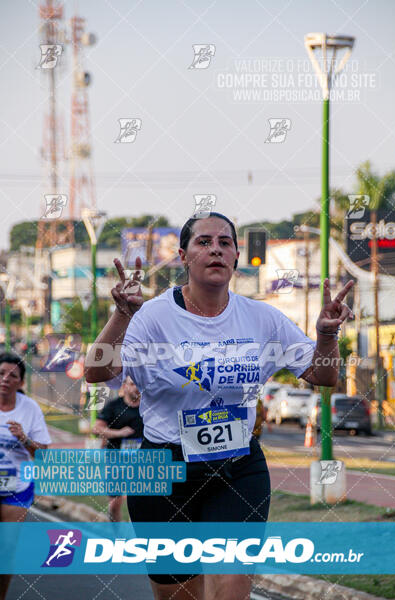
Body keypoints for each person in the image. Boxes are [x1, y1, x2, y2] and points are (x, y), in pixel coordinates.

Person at [85, 212, 354, 600]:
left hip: (237, 468)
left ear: (236, 257)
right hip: (163, 473)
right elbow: (97, 372)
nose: (215, 249)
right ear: (183, 255)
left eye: (225, 243)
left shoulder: (261, 318)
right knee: (180, 594)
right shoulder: (152, 317)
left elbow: (323, 375)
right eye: (204, 242)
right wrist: (123, 314)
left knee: (230, 588)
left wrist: (328, 335)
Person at [0, 352, 51, 600]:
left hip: (16, 486)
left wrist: (24, 438)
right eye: (1, 374)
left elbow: (43, 453)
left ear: (21, 382)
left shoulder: (29, 409)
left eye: (12, 376)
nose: (5, 379)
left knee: (6, 550)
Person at [91, 376, 143, 522]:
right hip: (116, 459)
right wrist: (119, 433)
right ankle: (117, 532)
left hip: (141, 460)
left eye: (138, 384)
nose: (136, 388)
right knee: (114, 503)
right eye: (132, 384)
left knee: (140, 501)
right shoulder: (114, 406)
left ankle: (137, 534)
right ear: (124, 386)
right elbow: (97, 428)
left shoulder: (147, 407)